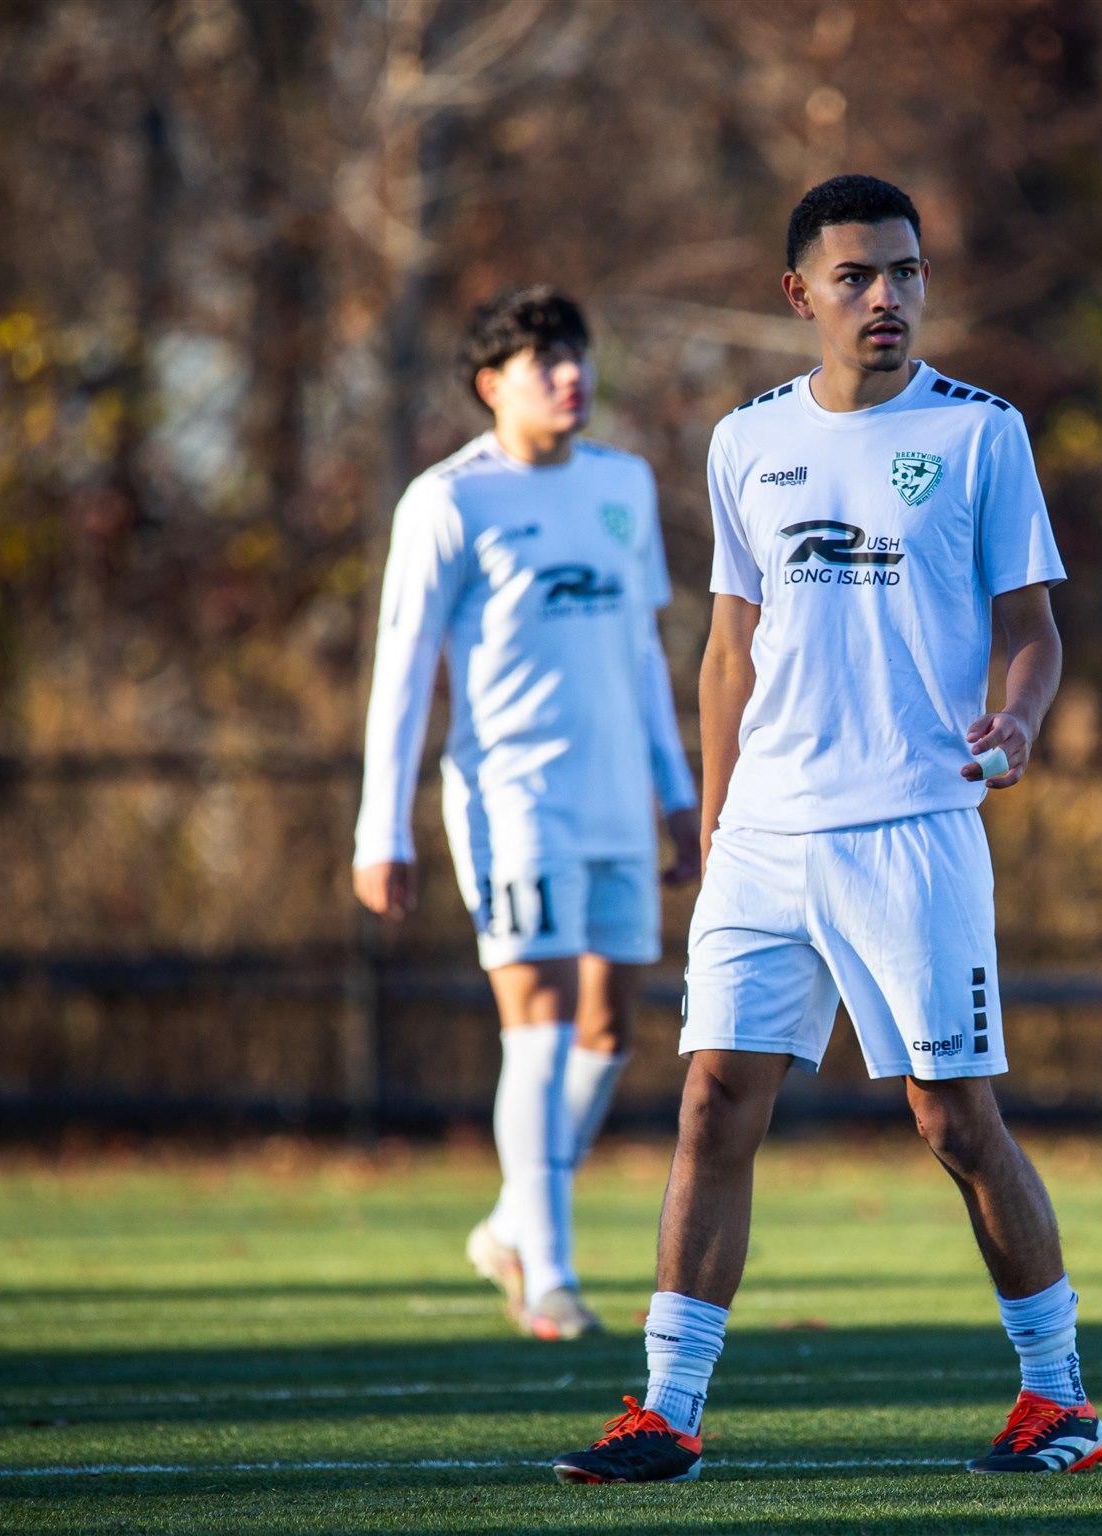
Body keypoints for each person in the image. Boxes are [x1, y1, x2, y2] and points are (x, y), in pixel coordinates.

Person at [552, 175, 1102, 1484]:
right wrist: (715, 822)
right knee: (711, 1102)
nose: (885, 298)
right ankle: (667, 1411)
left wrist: (1019, 722)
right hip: (765, 838)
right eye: (855, 277)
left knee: (952, 1122)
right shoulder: (745, 440)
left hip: (912, 827)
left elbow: (1033, 632)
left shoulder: (980, 432)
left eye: (904, 272)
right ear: (799, 294)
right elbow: (727, 651)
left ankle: (1059, 1399)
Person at [352, 286, 700, 1341]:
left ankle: (510, 1222)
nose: (570, 375)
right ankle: (548, 1276)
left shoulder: (621, 484)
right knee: (539, 1026)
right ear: (490, 385)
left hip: (616, 800)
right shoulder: (447, 501)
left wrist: (677, 793)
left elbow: (642, 650)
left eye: (577, 354)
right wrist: (380, 827)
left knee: (608, 1029)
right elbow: (402, 669)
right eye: (545, 361)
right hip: (513, 799)